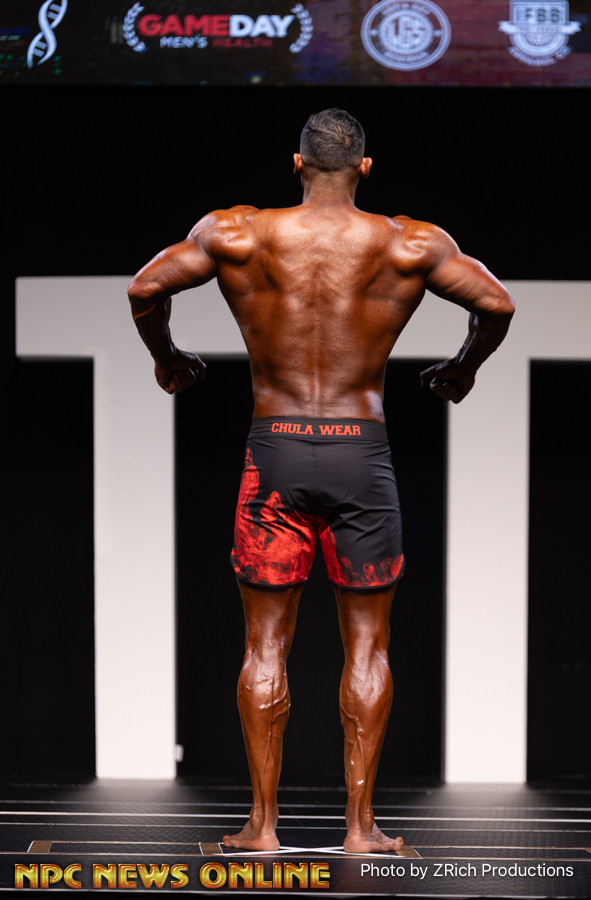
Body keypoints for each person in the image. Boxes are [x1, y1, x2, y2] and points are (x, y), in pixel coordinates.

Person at [127, 108, 515, 854]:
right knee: (368, 647)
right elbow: (496, 303)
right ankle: (361, 832)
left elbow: (145, 287)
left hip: (272, 456)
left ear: (297, 163)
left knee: (264, 644)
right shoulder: (407, 243)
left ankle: (262, 828)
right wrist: (463, 368)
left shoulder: (239, 233)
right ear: (365, 168)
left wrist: (167, 358)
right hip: (360, 455)